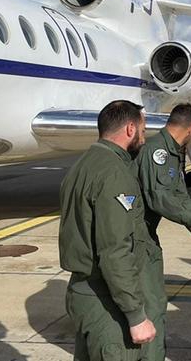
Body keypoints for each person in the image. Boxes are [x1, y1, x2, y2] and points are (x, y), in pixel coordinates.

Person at [59, 100, 157, 361]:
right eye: (143, 131)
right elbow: (115, 251)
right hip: (106, 302)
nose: (144, 138)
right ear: (130, 129)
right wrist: (136, 316)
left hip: (82, 293)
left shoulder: (82, 165)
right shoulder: (114, 174)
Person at [135, 103, 191, 360]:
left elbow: (179, 195)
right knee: (152, 305)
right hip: (136, 238)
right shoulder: (158, 152)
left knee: (149, 303)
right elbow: (159, 197)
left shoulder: (171, 151)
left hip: (144, 236)